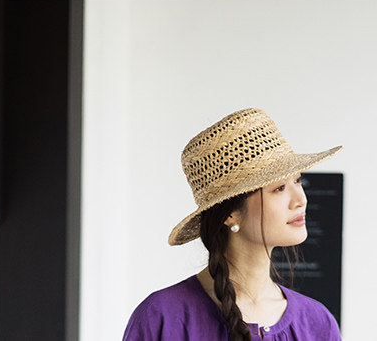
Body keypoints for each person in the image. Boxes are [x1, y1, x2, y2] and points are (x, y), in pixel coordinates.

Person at [121, 106, 343, 341]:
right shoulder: (162, 317)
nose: (301, 199)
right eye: (279, 188)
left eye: (298, 181)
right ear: (231, 214)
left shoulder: (317, 323)